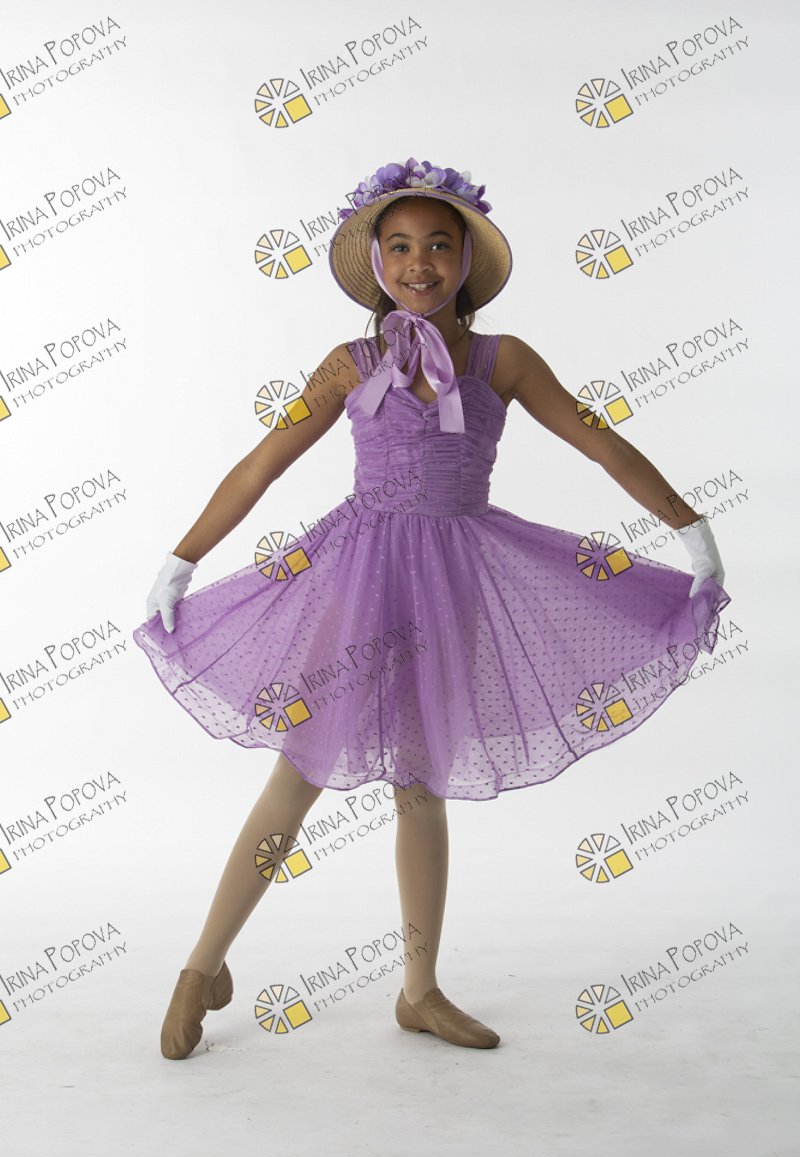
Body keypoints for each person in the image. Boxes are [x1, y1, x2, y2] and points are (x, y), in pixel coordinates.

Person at [132, 156, 731, 1059]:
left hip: (454, 586)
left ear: (466, 259)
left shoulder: (503, 360)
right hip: (354, 579)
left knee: (421, 784)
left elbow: (598, 440)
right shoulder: (351, 364)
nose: (421, 263)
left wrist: (691, 526)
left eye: (440, 245)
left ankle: (419, 989)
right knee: (297, 774)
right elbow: (263, 463)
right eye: (402, 246)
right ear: (377, 262)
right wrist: (184, 556)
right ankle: (200, 966)